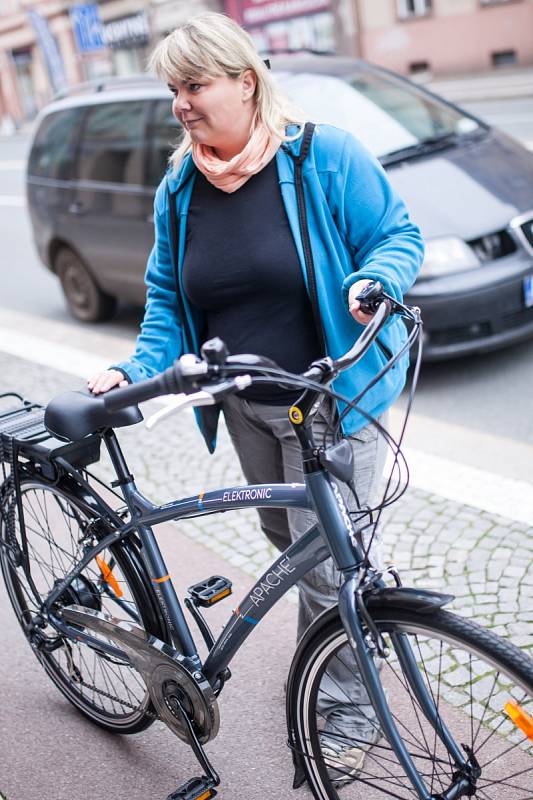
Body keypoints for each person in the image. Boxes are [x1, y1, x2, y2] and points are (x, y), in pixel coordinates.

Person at [88, 11, 424, 786]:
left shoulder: (322, 158)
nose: (181, 102)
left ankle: (339, 708)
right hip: (246, 402)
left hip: (336, 395)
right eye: (172, 88)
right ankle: (336, 641)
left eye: (195, 84)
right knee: (288, 539)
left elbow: (396, 235)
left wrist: (376, 282)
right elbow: (168, 297)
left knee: (325, 565)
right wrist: (135, 368)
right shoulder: (180, 189)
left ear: (245, 82)